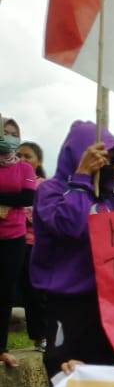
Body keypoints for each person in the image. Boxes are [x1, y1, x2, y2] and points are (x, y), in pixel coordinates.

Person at [31, 121, 114, 373]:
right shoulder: (51, 191)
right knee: (65, 374)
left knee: (102, 373)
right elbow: (71, 226)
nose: (106, 162)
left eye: (111, 156)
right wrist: (81, 177)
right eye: (101, 156)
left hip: (107, 302)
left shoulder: (110, 195)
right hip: (67, 302)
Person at [0, 118, 36, 366]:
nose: (10, 137)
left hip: (13, 237)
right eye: (5, 132)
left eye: (14, 133)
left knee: (4, 292)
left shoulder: (24, 168)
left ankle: (0, 348)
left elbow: (26, 197)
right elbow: (18, 196)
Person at [15, 142, 49, 351]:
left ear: (39, 162)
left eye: (28, 156)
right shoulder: (9, 183)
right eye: (19, 155)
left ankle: (41, 336)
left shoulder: (44, 186)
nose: (22, 160)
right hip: (13, 242)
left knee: (36, 293)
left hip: (35, 245)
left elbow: (45, 215)